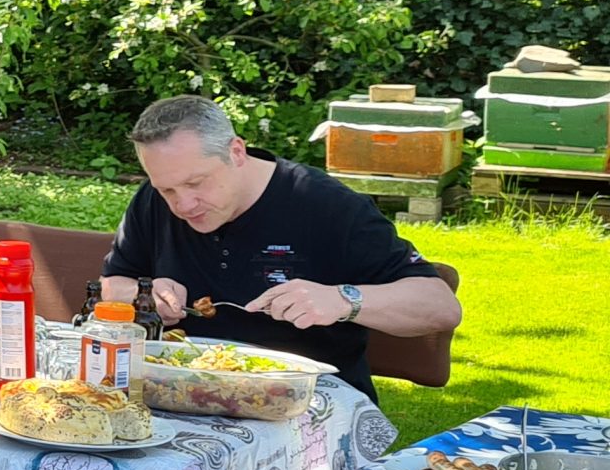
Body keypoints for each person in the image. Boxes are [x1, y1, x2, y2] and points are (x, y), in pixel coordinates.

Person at [103, 94, 461, 393]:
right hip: (182, 392)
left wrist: (343, 300)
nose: (182, 205)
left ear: (237, 152)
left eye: (197, 183)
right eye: (167, 189)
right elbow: (114, 283)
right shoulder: (153, 199)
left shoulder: (324, 204)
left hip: (306, 403)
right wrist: (142, 293)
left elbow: (440, 307)